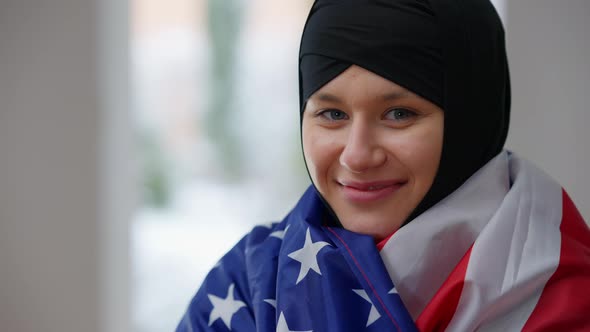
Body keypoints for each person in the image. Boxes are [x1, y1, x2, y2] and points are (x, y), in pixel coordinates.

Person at [177, 0, 590, 331]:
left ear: (472, 119)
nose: (357, 155)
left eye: (398, 114)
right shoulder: (248, 289)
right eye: (332, 115)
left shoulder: (566, 297)